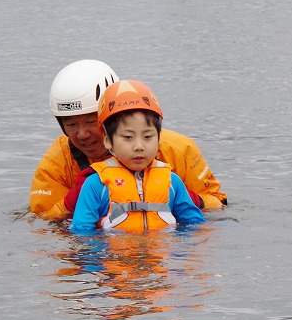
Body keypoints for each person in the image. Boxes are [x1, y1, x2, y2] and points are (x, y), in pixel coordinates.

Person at [29, 60, 227, 221]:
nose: (82, 134)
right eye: (71, 125)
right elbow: (42, 219)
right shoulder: (56, 163)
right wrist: (70, 203)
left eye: (91, 122)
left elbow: (218, 203)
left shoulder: (178, 149)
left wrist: (189, 200)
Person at [69, 80, 207, 233]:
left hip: (162, 255)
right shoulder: (96, 184)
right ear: (108, 140)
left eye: (148, 137)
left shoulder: (172, 181)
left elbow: (195, 225)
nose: (139, 146)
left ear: (159, 138)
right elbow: (82, 232)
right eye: (128, 137)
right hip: (114, 255)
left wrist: (179, 253)